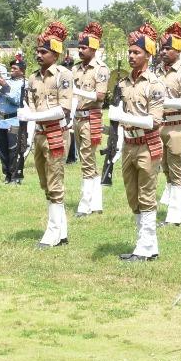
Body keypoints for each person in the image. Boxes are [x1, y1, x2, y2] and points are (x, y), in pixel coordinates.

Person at [108, 24, 167, 261]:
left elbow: (154, 121)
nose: (131, 56)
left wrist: (123, 117)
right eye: (130, 52)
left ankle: (145, 246)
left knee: (146, 194)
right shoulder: (123, 84)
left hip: (147, 144)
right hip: (129, 144)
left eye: (136, 52)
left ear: (148, 55)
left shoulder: (154, 84)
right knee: (132, 195)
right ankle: (147, 245)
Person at [21, 24, 75, 247]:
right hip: (40, 135)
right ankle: (61, 231)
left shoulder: (64, 75)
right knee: (45, 184)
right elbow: (30, 107)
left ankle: (52, 233)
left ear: (56, 54)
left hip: (56, 134)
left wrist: (32, 116)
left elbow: (64, 109)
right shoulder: (33, 78)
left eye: (44, 52)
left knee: (55, 184)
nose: (38, 55)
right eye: (38, 51)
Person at [157, 22, 181, 226]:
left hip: (177, 126)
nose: (163, 52)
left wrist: (159, 101)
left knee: (176, 170)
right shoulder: (158, 71)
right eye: (162, 48)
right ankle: (176, 211)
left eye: (167, 48)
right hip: (160, 125)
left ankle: (176, 215)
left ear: (178, 50)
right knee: (165, 169)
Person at [71, 22, 111, 217]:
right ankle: (96, 202)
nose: (80, 50)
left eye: (84, 47)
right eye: (79, 47)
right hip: (77, 118)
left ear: (93, 48)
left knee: (87, 159)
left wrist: (76, 91)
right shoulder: (76, 68)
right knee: (86, 159)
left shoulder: (100, 69)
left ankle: (85, 203)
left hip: (91, 118)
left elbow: (100, 96)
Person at [0, 54, 25, 183]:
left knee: (14, 149)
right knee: (3, 150)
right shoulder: (7, 81)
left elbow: (17, 100)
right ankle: (7, 175)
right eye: (11, 68)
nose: (11, 71)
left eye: (15, 69)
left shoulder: (23, 83)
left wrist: (5, 87)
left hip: (14, 121)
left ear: (22, 71)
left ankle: (15, 175)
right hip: (1, 121)